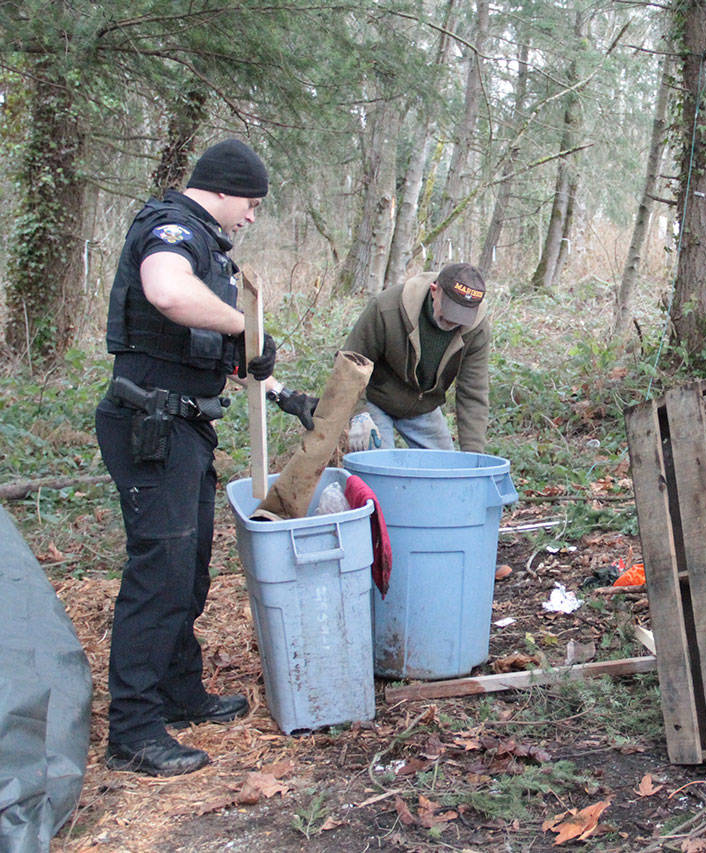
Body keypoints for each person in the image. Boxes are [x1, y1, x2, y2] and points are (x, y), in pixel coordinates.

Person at [96, 139, 319, 776]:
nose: (251, 216)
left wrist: (281, 393)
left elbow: (207, 351)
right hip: (150, 427)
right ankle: (134, 730)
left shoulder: (209, 246)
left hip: (184, 427)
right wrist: (241, 327)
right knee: (158, 577)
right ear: (221, 189)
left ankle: (180, 691)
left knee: (188, 571)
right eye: (250, 203)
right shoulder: (172, 231)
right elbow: (166, 293)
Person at [342, 263, 491, 453]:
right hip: (375, 398)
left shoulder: (476, 329)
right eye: (449, 312)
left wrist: (474, 457)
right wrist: (358, 414)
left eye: (462, 316)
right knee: (379, 469)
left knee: (448, 470)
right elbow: (351, 361)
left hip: (423, 406)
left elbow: (473, 392)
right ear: (434, 291)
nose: (453, 321)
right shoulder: (387, 308)